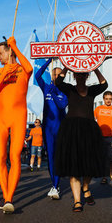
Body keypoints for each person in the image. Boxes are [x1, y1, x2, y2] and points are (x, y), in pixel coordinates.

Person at [0, 36, 33, 214]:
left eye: (0, 53)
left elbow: (29, 67)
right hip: (1, 118)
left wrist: (15, 46)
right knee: (0, 158)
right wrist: (5, 73)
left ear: (9, 52)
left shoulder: (22, 70)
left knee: (14, 157)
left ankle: (9, 198)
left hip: (18, 117)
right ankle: (6, 194)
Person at [55, 67, 108, 212]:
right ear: (74, 75)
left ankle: (85, 187)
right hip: (71, 130)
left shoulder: (92, 90)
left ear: (87, 75)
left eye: (83, 74)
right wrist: (66, 65)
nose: (80, 76)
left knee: (90, 162)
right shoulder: (69, 89)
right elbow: (58, 82)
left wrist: (95, 68)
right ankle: (77, 201)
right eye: (77, 74)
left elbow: (104, 85)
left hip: (89, 130)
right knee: (73, 164)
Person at [35, 58, 68, 200]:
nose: (57, 77)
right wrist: (49, 61)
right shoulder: (46, 87)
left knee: (58, 157)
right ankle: (55, 185)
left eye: (60, 75)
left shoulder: (66, 90)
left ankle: (56, 185)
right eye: (54, 75)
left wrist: (54, 93)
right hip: (47, 127)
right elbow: (37, 76)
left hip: (60, 127)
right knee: (50, 157)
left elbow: (62, 106)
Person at [94, 91, 112, 184]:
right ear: (103, 99)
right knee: (103, 158)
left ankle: (110, 172)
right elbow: (92, 120)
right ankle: (104, 176)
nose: (108, 101)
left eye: (110, 99)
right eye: (106, 99)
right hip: (100, 137)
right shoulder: (98, 109)